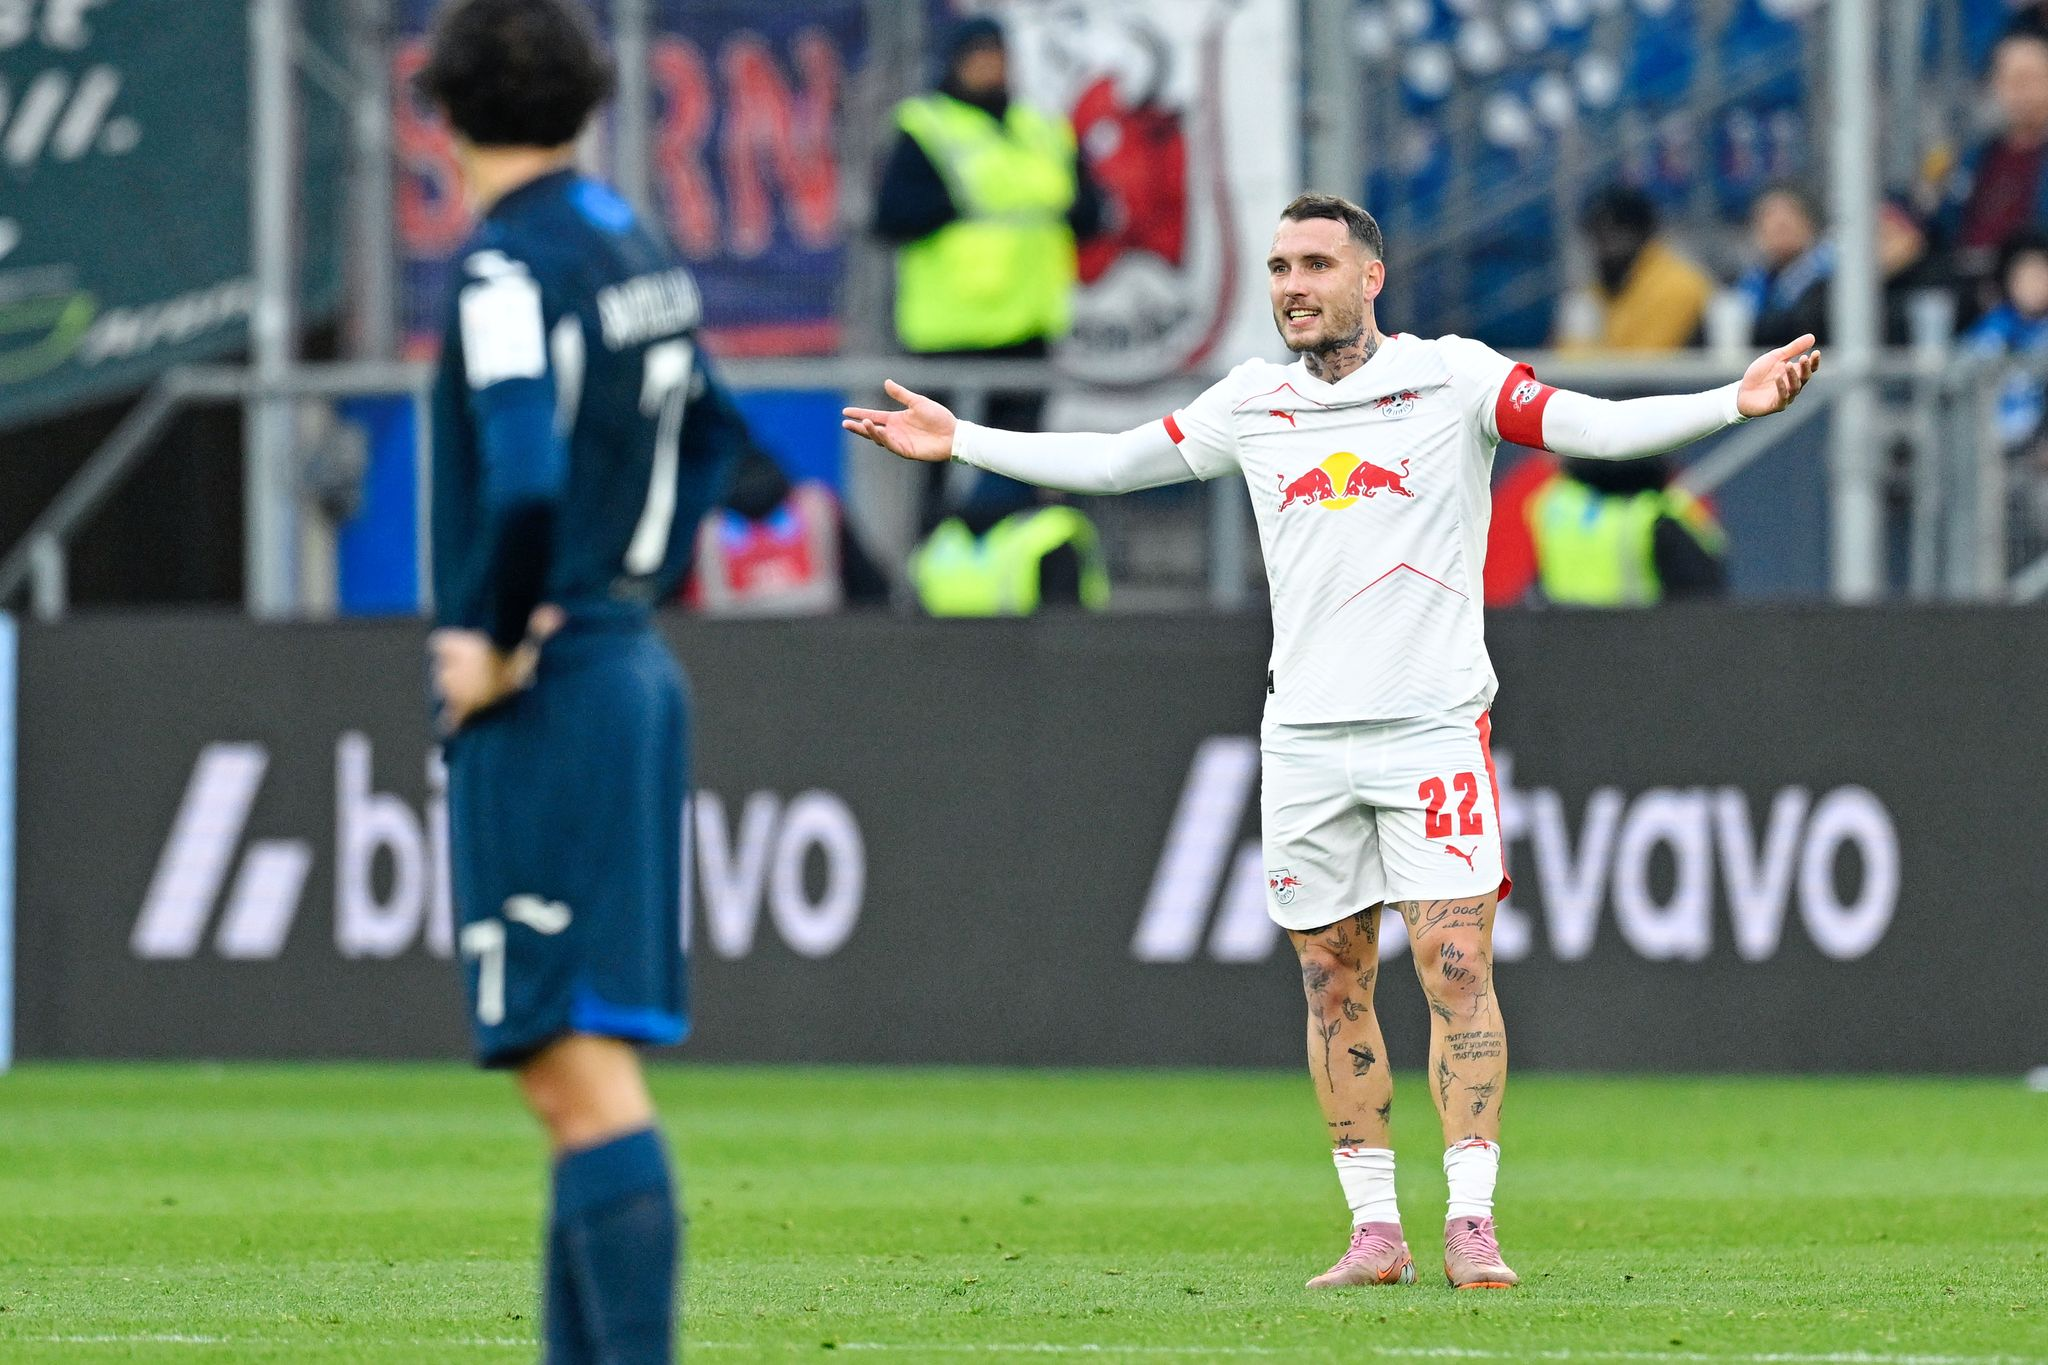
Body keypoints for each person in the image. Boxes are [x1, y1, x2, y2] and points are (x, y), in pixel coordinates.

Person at [844, 192, 1819, 1291]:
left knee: (1455, 968)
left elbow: (1587, 424)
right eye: (1275, 268)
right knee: (1326, 980)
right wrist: (959, 439)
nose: (1291, 286)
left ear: (1370, 278)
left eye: (1312, 263)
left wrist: (1729, 403)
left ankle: (1470, 1220)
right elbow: (1119, 461)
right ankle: (1373, 1231)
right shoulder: (1251, 403)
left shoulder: (1450, 378)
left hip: (1431, 729)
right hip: (1303, 739)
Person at [418, 2, 748, 1357]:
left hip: (556, 681)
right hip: (628, 660)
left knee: (575, 1069)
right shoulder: (628, 239)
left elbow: (527, 474)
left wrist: (496, 633)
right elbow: (724, 437)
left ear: (438, 113)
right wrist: (637, 571)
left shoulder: (505, 266)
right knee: (570, 1076)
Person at [872, 15, 1105, 532]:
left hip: (1026, 326)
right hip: (949, 329)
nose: (991, 66)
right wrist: (954, 208)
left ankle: (1007, 573)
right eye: (978, 55)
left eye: (998, 54)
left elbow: (1091, 211)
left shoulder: (1041, 129)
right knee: (935, 463)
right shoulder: (927, 126)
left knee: (1018, 461)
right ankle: (931, 575)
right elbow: (891, 215)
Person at [1939, 30, 2048, 312]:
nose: (2019, 92)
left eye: (2030, 79)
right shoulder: (1976, 157)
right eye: (2010, 80)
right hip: (1968, 289)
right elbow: (1944, 226)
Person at [1525, 455, 1727, 605]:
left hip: (1564, 647)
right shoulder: (1659, 514)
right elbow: (1702, 607)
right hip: (1640, 648)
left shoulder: (1554, 504)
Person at [910, 474, 1108, 616]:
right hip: (1028, 664)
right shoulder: (1052, 533)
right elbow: (1064, 628)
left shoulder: (942, 539)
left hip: (945, 668)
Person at [1554, 185, 1716, 352]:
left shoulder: (1679, 285)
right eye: (1597, 237)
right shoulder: (1600, 289)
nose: (1604, 249)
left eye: (1613, 235)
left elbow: (1642, 367)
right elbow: (1566, 362)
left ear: (1642, 233)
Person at [1739, 183, 1833, 348]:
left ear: (1809, 224)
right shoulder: (1750, 284)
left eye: (1788, 216)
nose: (1778, 223)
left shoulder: (1830, 281)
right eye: (1769, 216)